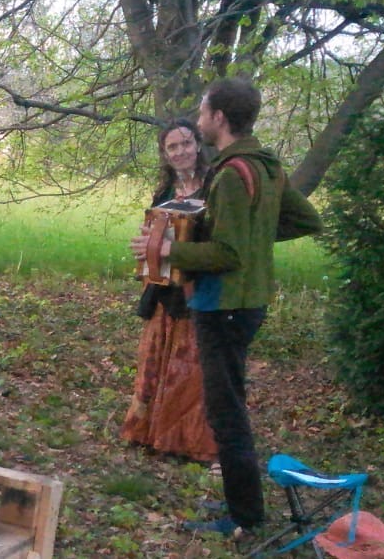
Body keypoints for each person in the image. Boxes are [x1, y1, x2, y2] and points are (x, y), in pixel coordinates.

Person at [130, 79, 322, 535]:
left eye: (202, 113)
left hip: (226, 305)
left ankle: (246, 519)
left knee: (226, 414)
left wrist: (169, 251)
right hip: (244, 302)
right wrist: (252, 238)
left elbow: (228, 254)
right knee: (227, 408)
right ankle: (242, 510)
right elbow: (304, 218)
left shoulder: (234, 173)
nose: (198, 121)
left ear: (219, 118)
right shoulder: (266, 164)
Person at [119, 119, 217, 463]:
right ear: (164, 153)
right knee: (154, 361)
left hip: (197, 289)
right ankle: (149, 433)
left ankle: (184, 442)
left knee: (189, 369)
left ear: (199, 145)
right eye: (172, 147)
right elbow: (155, 237)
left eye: (186, 144)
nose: (180, 152)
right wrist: (144, 250)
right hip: (162, 289)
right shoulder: (164, 193)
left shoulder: (215, 188)